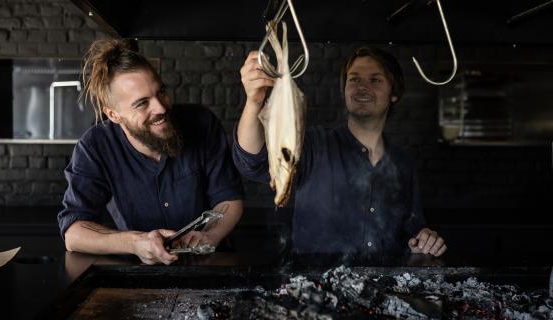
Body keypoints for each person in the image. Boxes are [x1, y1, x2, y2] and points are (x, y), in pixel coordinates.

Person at [233, 47, 446, 258]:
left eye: (375, 80)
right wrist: (254, 102)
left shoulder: (403, 164)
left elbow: (413, 232)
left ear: (394, 93)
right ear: (344, 89)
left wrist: (423, 240)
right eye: (354, 79)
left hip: (383, 289)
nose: (362, 87)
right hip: (314, 289)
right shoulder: (314, 146)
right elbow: (254, 161)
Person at [58, 38, 244, 265]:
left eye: (161, 92)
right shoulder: (95, 146)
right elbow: (74, 232)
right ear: (113, 115)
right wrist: (136, 242)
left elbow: (229, 198)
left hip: (211, 266)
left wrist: (210, 235)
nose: (161, 107)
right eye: (142, 103)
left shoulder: (201, 123)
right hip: (140, 276)